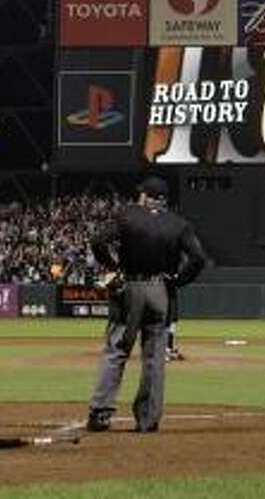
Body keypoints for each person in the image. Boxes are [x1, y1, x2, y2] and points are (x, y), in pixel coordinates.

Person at [86, 175, 208, 433]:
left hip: (130, 288)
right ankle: (148, 419)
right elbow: (198, 258)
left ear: (145, 196)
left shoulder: (127, 215)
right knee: (154, 358)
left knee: (117, 350)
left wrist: (113, 266)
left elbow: (98, 242)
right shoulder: (179, 224)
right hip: (160, 292)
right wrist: (177, 281)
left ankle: (100, 413)